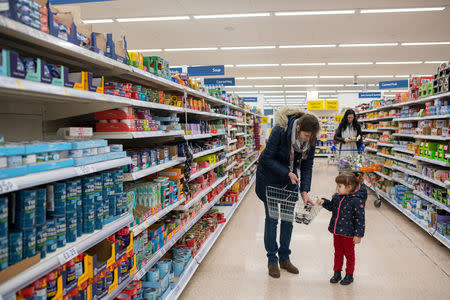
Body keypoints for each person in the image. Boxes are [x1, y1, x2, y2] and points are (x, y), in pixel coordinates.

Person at [255, 107, 320, 278]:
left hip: (290, 179)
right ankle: (272, 260)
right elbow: (265, 159)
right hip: (270, 178)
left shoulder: (310, 139)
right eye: (306, 136)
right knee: (272, 219)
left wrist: (305, 191)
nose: (308, 140)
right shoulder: (280, 130)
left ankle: (285, 258)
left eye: (311, 137)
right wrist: (287, 172)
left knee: (287, 220)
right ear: (298, 128)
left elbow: (307, 166)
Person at [318, 172, 366, 286]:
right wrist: (324, 202)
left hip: (349, 233)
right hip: (337, 231)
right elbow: (331, 207)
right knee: (338, 252)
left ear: (349, 187)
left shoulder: (356, 200)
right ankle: (337, 272)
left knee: (349, 254)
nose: (337, 188)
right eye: (337, 186)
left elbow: (360, 219)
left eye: (340, 186)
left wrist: (358, 235)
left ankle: (349, 274)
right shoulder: (337, 197)